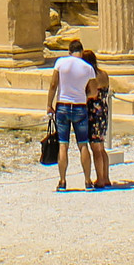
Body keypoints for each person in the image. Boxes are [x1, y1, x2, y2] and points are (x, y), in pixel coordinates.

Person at [44, 37, 95, 191]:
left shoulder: (60, 62)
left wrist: (49, 104)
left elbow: (53, 84)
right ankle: (87, 181)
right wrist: (83, 97)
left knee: (63, 145)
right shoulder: (88, 67)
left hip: (63, 106)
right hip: (80, 106)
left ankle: (62, 181)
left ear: (69, 51)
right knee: (83, 144)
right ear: (81, 51)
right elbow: (93, 91)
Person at [79, 48, 113, 191]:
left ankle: (100, 179)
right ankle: (106, 177)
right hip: (103, 112)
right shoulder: (104, 74)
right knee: (101, 147)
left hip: (94, 113)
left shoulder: (92, 76)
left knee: (95, 148)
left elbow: (92, 94)